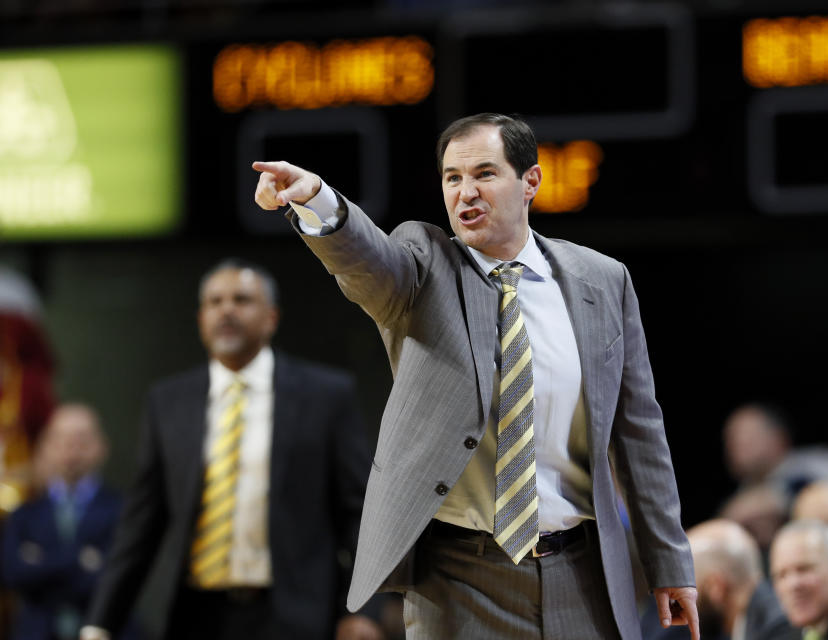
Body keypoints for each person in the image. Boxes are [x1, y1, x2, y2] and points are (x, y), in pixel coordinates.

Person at [252, 112, 698, 639]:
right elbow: (369, 260)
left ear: (530, 181)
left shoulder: (602, 280)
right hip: (460, 577)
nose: (466, 193)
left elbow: (640, 432)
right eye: (452, 178)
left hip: (581, 572)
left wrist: (670, 564)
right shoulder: (424, 266)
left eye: (484, 174)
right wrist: (317, 199)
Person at [80, 259, 382, 640]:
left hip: (294, 614)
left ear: (271, 317)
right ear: (200, 319)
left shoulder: (326, 395)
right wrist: (100, 623)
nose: (226, 309)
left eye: (241, 300)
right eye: (214, 301)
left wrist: (363, 611)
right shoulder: (169, 401)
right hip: (195, 613)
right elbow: (142, 524)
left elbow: (359, 514)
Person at [1, 404, 128, 640]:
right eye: (62, 440)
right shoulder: (23, 515)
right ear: (45, 447)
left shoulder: (125, 511)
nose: (72, 450)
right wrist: (81, 559)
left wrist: (42, 561)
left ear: (101, 447)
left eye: (81, 440)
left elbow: (117, 577)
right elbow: (12, 573)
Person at [686, 519, 793, 640]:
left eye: (688, 588)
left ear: (716, 587)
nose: (680, 600)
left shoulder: (778, 627)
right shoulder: (743, 625)